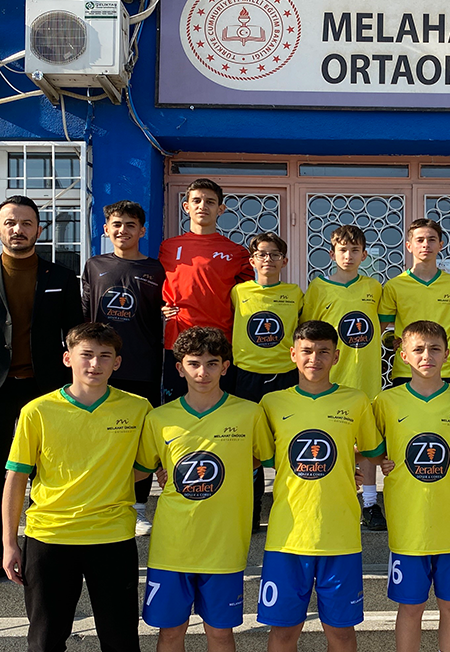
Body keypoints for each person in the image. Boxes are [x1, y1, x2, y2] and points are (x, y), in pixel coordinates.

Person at [0, 323, 153, 652]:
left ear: (117, 363)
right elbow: (16, 479)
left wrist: (108, 479)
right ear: (68, 358)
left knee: (122, 644)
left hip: (112, 537)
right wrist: (9, 542)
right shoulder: (37, 411)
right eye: (86, 355)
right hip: (50, 538)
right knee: (44, 646)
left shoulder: (138, 408)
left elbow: (144, 466)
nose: (94, 364)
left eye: (104, 356)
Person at [0, 195, 83, 585]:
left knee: (48, 471)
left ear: (38, 230)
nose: (18, 229)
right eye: (10, 223)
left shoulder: (61, 277)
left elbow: (76, 335)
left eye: (26, 223)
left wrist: (77, 385)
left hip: (45, 390)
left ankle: (43, 547)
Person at [139, 327, 272, 652]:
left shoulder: (249, 413)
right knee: (170, 632)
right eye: (194, 364)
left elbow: (266, 458)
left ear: (226, 367)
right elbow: (141, 468)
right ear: (179, 368)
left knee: (220, 633)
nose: (203, 372)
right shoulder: (159, 418)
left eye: (212, 363)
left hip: (224, 546)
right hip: (172, 545)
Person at [257, 321, 383, 652]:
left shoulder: (356, 401)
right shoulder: (271, 403)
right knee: (283, 630)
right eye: (307, 351)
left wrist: (350, 464)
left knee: (341, 632)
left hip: (339, 536)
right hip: (287, 537)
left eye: (324, 351)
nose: (315, 358)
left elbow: (373, 452)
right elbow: (257, 456)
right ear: (293, 354)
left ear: (336, 356)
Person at [372, 320, 450, 652]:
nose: (427, 356)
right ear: (403, 356)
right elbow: (371, 449)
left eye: (435, 349)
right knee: (410, 608)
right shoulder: (386, 402)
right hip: (409, 525)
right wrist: (381, 463)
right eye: (418, 349)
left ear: (447, 354)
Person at [82, 199, 166, 532]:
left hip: (143, 365)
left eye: (131, 225)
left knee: (140, 439)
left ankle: (139, 507)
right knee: (99, 437)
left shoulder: (157, 270)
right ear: (106, 229)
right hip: (99, 368)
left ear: (142, 231)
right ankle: (98, 501)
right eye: (116, 224)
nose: (123, 230)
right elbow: (84, 316)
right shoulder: (94, 266)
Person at [301, 225, 388, 530]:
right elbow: (308, 332)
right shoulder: (318, 287)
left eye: (354, 250)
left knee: (367, 442)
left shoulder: (374, 287)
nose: (348, 256)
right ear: (331, 254)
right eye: (342, 250)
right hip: (331, 379)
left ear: (364, 255)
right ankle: (332, 498)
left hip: (365, 377)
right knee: (331, 441)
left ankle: (370, 503)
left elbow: (382, 326)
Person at [232, 231, 303, 533]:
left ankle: (291, 505)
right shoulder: (238, 292)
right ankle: (251, 508)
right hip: (246, 375)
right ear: (252, 260)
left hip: (284, 375)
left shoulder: (295, 293)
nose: (268, 259)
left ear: (284, 261)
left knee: (286, 442)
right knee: (249, 447)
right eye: (262, 254)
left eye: (275, 254)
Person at [159, 178, 252, 403]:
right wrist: (161, 307)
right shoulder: (168, 247)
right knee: (177, 409)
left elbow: (249, 298)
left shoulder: (237, 252)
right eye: (197, 201)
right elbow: (157, 285)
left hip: (221, 341)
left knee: (221, 409)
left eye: (210, 202)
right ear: (186, 206)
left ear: (220, 209)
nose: (203, 206)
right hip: (178, 341)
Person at [378, 218, 450, 386]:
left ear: (440, 245)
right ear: (409, 246)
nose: (425, 245)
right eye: (419, 240)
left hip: (447, 369)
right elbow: (378, 329)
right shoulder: (394, 286)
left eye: (431, 239)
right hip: (406, 369)